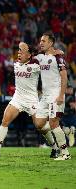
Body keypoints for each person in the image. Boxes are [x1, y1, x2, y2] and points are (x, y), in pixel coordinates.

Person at [0, 42, 58, 159]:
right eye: (18, 51)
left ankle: (55, 148)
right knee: (5, 121)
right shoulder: (16, 65)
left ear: (29, 55)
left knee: (40, 126)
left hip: (32, 101)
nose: (19, 53)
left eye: (22, 51)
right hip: (18, 99)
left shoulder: (35, 66)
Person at [34, 32, 71, 160]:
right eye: (40, 41)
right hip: (45, 96)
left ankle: (65, 153)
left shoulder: (58, 57)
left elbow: (64, 76)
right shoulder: (40, 57)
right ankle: (65, 130)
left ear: (50, 43)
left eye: (43, 41)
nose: (41, 43)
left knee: (53, 122)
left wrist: (61, 95)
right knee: (39, 124)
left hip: (56, 94)